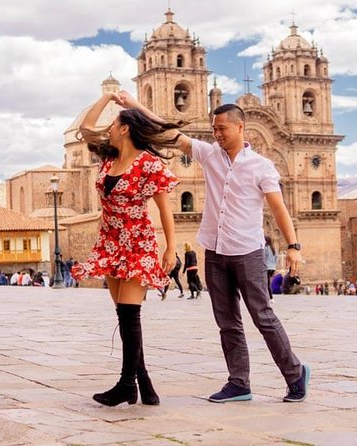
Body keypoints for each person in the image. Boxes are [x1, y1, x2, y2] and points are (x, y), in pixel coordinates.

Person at [116, 93, 309, 403]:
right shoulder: (208, 155)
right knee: (227, 321)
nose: (217, 134)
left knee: (263, 316)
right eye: (214, 129)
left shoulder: (262, 167)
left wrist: (293, 246)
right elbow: (169, 133)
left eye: (222, 129)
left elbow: (278, 208)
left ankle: (295, 374)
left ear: (240, 127)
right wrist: (134, 105)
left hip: (248, 252)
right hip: (215, 252)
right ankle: (238, 383)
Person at [72, 90, 182, 407]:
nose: (108, 128)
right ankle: (144, 385)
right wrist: (107, 97)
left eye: (115, 124)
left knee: (130, 316)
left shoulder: (148, 164)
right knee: (124, 315)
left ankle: (125, 385)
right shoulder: (109, 158)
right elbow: (86, 128)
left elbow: (164, 209)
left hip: (136, 244)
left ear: (125, 129)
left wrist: (170, 248)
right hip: (109, 244)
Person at [264, 235, 277, 300]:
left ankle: (270, 298)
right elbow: (276, 258)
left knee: (266, 283)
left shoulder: (265, 248)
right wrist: (274, 265)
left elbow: (263, 258)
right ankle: (269, 297)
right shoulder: (274, 249)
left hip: (267, 267)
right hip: (273, 268)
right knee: (268, 282)